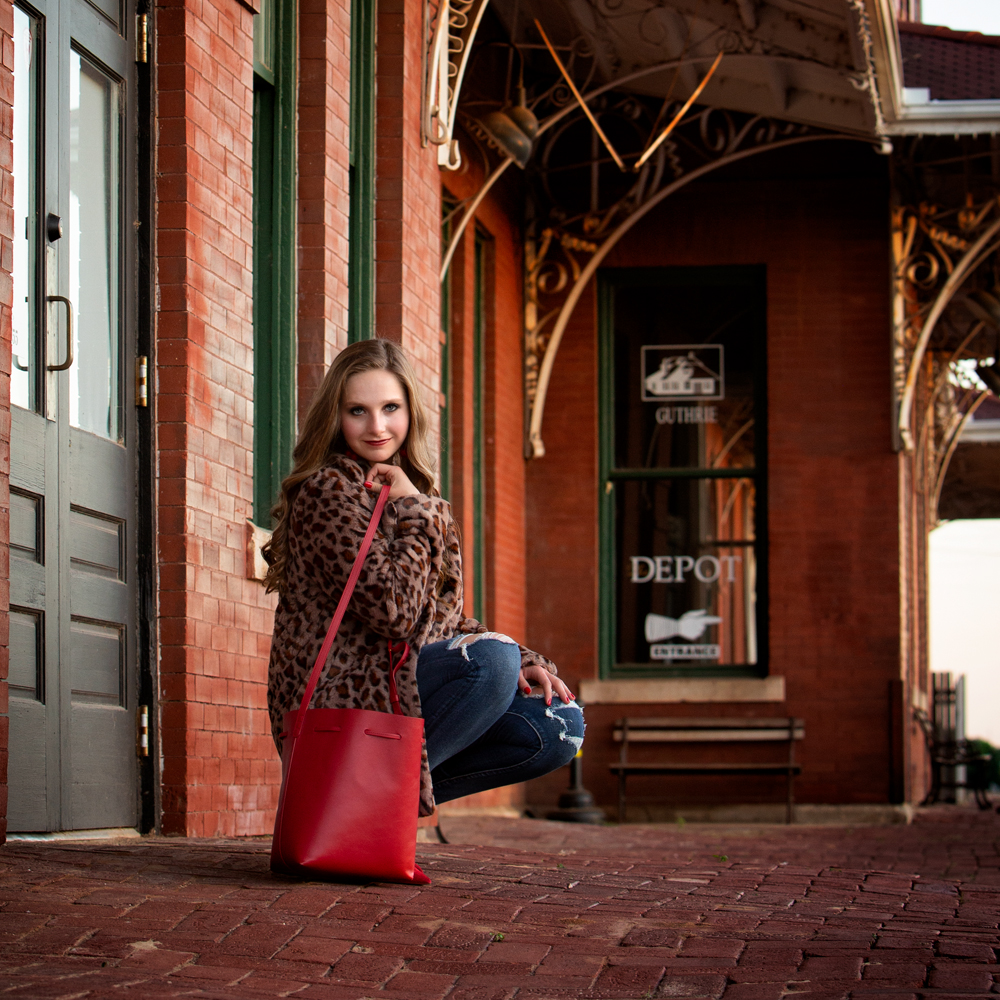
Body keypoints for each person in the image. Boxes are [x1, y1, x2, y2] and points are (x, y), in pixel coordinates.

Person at [264, 338, 584, 817]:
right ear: (336, 416)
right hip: (345, 695)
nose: (377, 426)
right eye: (358, 410)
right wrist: (418, 509)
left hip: (394, 685)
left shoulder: (409, 493)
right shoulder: (329, 491)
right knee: (488, 663)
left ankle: (371, 812)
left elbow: (442, 616)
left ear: (411, 411)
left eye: (390, 407)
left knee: (557, 726)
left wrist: (523, 658)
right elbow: (394, 611)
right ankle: (351, 804)